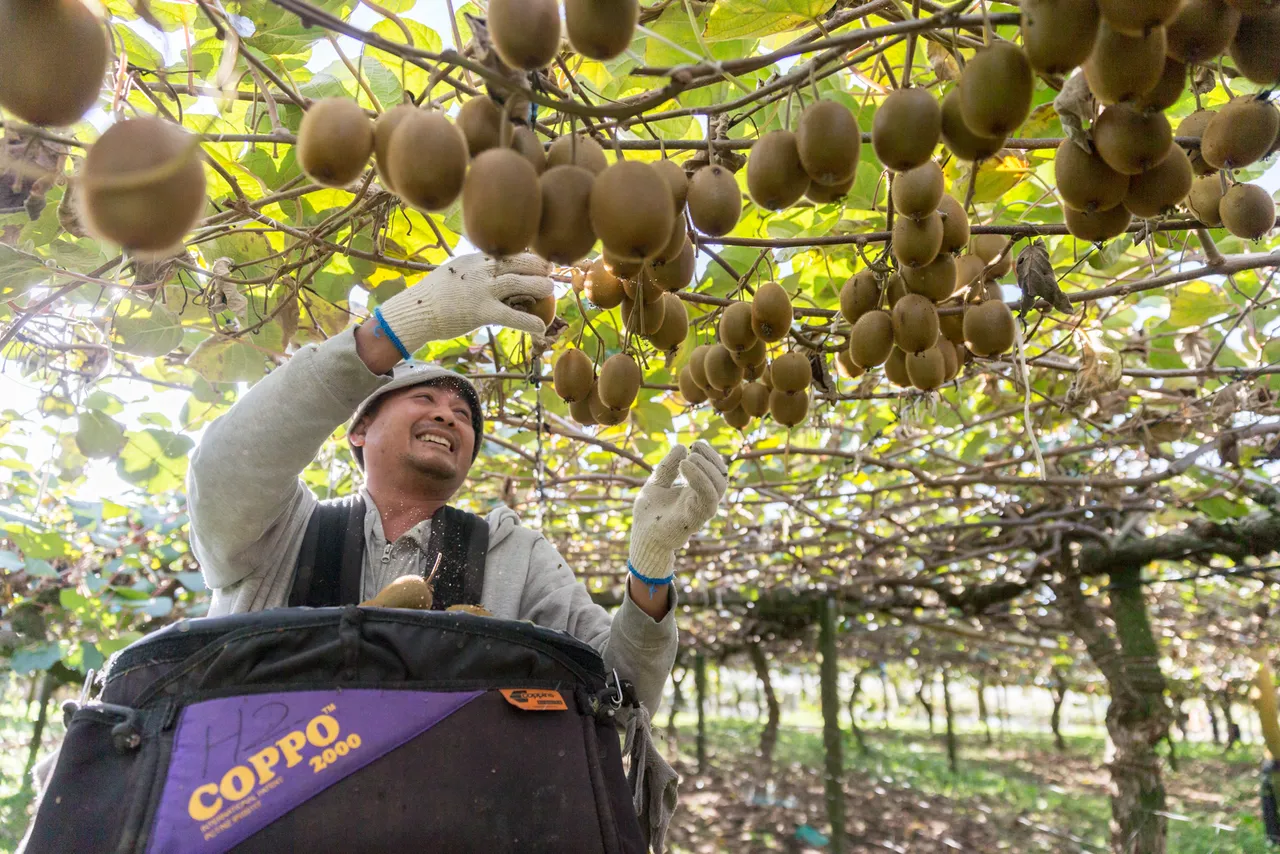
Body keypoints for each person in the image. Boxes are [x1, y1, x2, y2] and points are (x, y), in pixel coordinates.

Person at [186, 251, 730, 717]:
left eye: (464, 416)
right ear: (359, 428)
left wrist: (649, 569)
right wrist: (395, 329)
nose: (447, 415)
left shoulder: (514, 555)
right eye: (424, 398)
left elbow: (622, 698)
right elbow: (227, 467)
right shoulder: (279, 534)